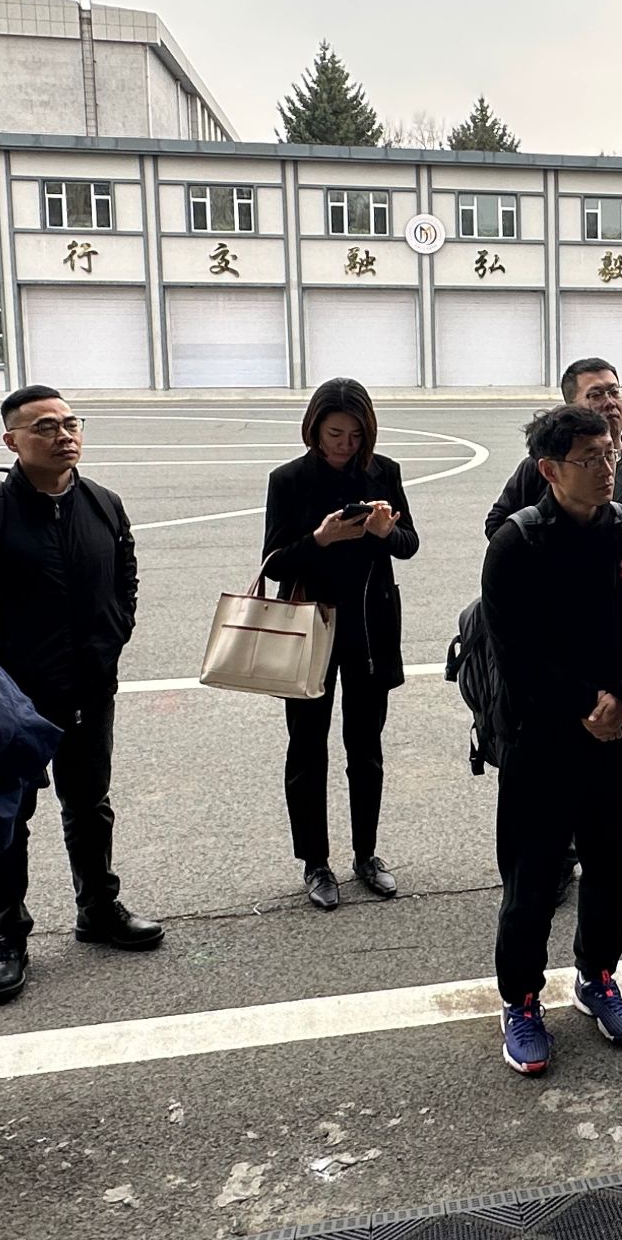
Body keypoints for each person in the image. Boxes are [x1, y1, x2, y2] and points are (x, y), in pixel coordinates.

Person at [0, 386, 162, 1004]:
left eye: (70, 423)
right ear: (11, 441)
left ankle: (99, 908)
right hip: (12, 700)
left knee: (89, 804)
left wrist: (114, 634)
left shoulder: (103, 503)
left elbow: (125, 577)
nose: (63, 435)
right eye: (44, 427)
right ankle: (7, 935)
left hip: (90, 687)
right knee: (9, 817)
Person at [482, 404, 622, 1075]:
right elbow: (516, 652)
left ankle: (597, 977)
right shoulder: (518, 543)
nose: (605, 467)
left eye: (609, 453)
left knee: (611, 869)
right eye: (588, 459)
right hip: (541, 741)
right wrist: (586, 705)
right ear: (550, 470)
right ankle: (520, 999)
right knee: (532, 879)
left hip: (617, 735)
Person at [485, 358, 622, 905]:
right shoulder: (539, 476)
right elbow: (499, 534)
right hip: (552, 691)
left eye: (615, 391)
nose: (609, 402)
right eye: (595, 394)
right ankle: (558, 860)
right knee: (541, 837)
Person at [262, 378, 420, 910]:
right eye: (335, 434)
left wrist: (384, 531)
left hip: (370, 629)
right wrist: (320, 539)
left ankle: (366, 854)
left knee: (366, 747)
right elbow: (274, 563)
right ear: (314, 429)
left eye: (355, 435)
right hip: (311, 627)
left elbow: (409, 544)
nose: (344, 445)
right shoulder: (289, 479)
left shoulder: (384, 472)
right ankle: (315, 861)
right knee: (307, 749)